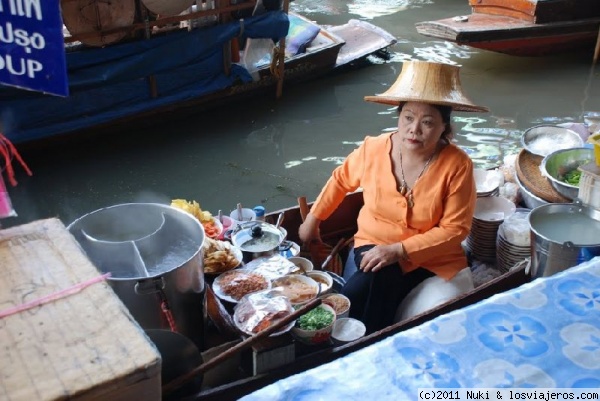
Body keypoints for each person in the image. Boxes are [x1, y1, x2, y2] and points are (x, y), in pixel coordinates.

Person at [298, 60, 489, 334]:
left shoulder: (457, 164)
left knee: (382, 287)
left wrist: (399, 250)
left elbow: (455, 229)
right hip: (374, 241)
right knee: (375, 276)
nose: (414, 129)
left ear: (444, 128)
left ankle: (361, 337)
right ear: (399, 117)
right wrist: (314, 220)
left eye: (428, 123)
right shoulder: (373, 148)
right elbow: (341, 180)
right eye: (408, 118)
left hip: (432, 258)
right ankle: (356, 335)